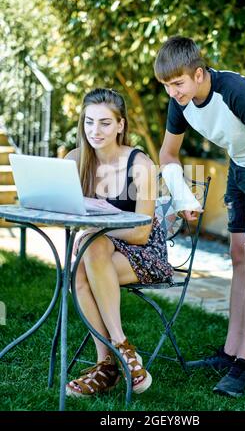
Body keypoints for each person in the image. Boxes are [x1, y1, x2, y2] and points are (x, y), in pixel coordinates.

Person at [154, 36, 245, 397]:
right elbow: (168, 155)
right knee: (237, 255)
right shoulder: (181, 102)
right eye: (168, 86)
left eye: (178, 84)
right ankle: (229, 352)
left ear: (199, 74)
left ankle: (243, 364)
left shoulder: (234, 90)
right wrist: (182, 195)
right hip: (240, 162)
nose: (173, 92)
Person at [65, 87, 173, 397]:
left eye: (104, 123)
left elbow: (141, 232)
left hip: (144, 254)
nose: (94, 131)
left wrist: (97, 229)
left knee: (90, 254)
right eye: (88, 122)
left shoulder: (140, 165)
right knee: (88, 259)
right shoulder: (75, 160)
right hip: (97, 254)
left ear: (121, 125)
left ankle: (111, 359)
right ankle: (116, 359)